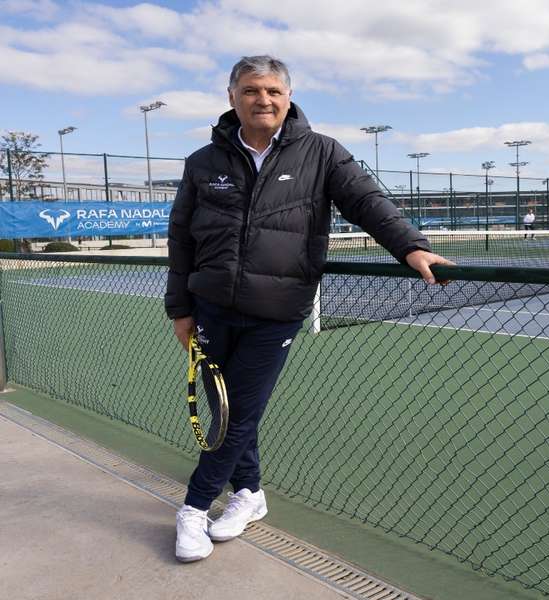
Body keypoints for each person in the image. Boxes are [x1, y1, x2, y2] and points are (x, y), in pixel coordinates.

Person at [165, 55, 451, 562]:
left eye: (274, 91)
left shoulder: (321, 153)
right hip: (209, 309)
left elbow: (367, 201)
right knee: (224, 410)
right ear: (232, 97)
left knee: (237, 415)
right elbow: (182, 239)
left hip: (275, 311)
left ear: (288, 97)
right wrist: (180, 308)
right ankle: (250, 495)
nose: (264, 100)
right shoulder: (202, 162)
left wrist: (410, 245)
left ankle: (193, 507)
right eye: (252, 90)